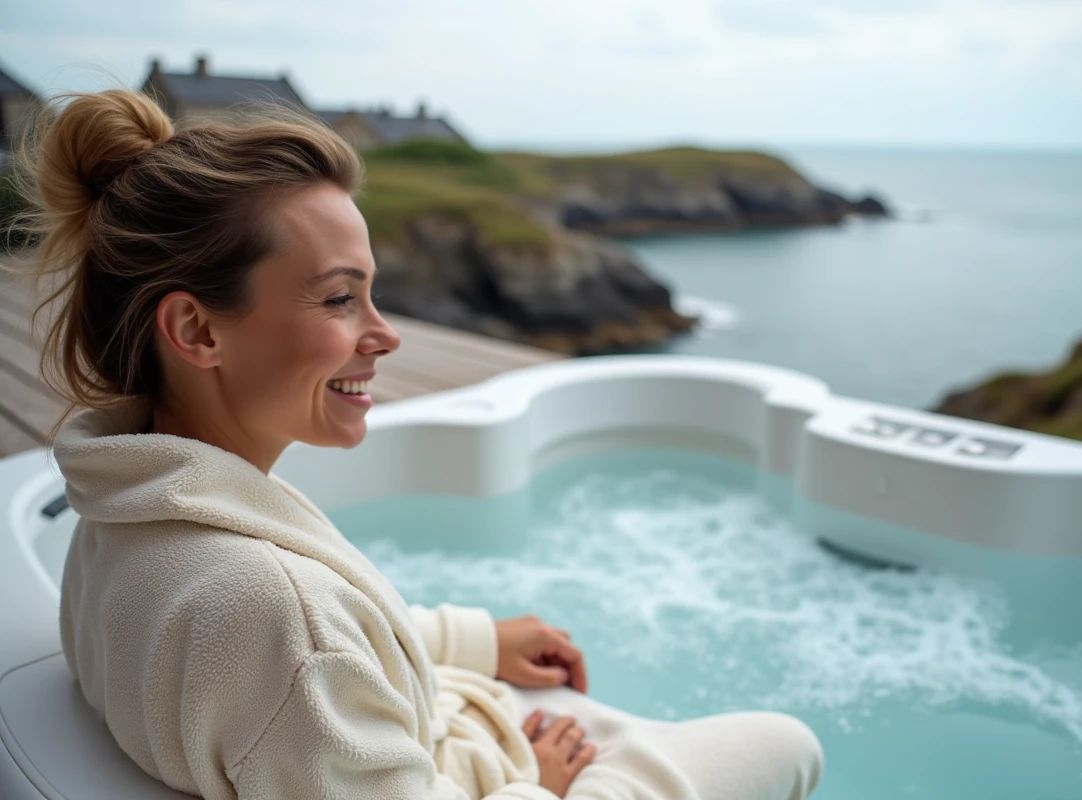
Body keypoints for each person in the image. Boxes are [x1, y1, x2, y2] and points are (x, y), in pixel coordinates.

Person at [12, 89, 824, 800]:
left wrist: (471, 640)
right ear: (196, 329)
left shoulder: (129, 502)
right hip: (490, 770)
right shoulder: (279, 616)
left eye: (374, 295)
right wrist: (539, 782)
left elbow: (297, 667)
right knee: (789, 744)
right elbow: (306, 653)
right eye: (340, 299)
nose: (387, 335)